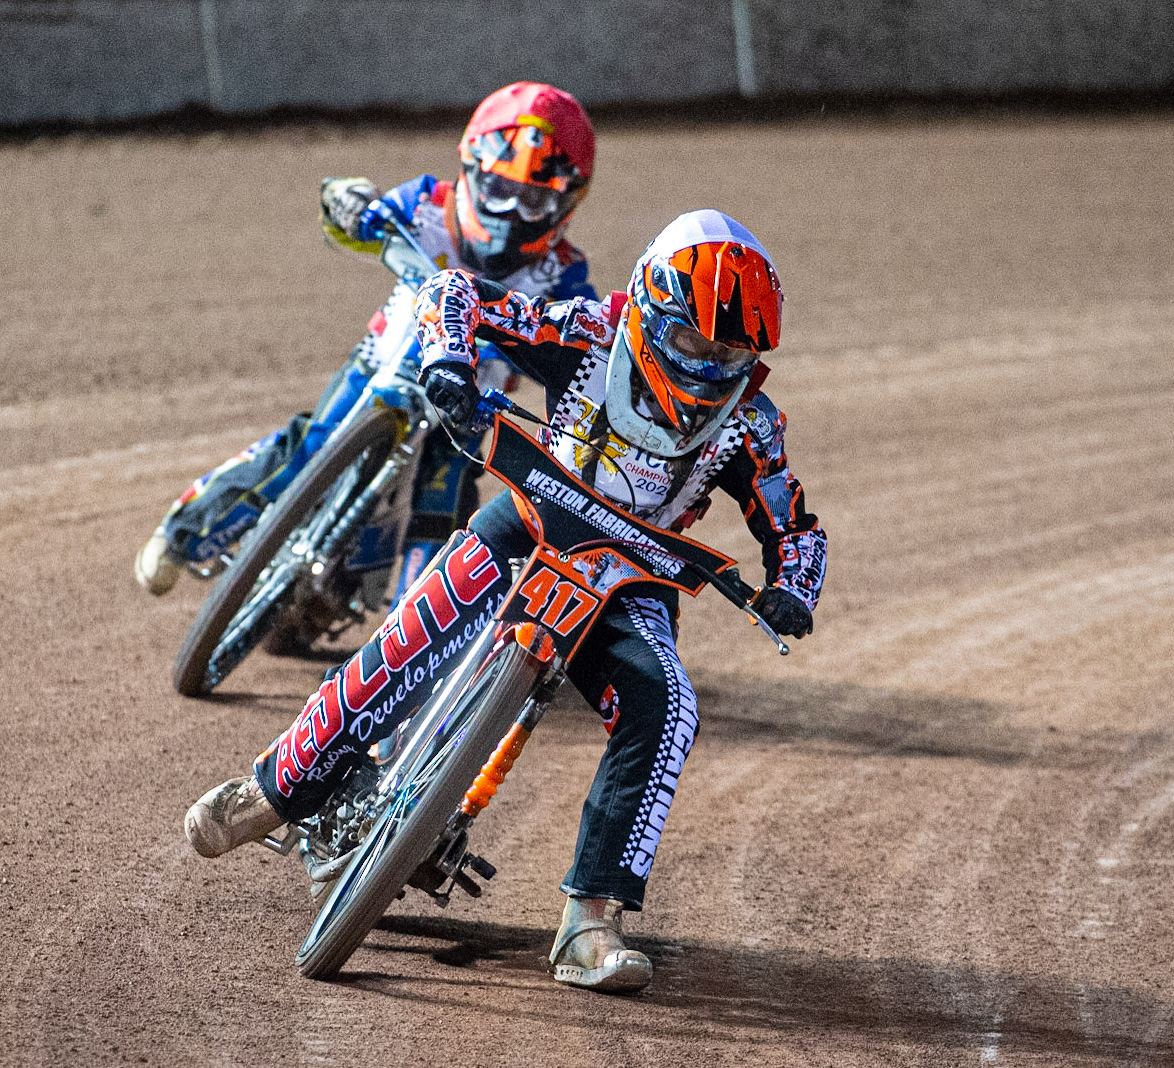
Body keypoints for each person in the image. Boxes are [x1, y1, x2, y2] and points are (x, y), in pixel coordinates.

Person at [183, 210, 827, 993]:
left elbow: (793, 519)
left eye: (732, 352)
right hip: (527, 519)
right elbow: (455, 290)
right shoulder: (592, 331)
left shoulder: (751, 425)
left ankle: (592, 922)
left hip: (629, 581)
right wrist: (450, 363)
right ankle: (273, 791)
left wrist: (795, 586)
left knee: (670, 709)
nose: (710, 366)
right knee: (411, 633)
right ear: (650, 306)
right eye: (694, 341)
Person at [134, 82, 598, 617]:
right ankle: (183, 533)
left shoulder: (561, 271)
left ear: (568, 201)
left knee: (444, 502)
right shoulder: (426, 204)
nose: (512, 212)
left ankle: (417, 630)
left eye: (535, 199)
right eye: (499, 190)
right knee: (309, 445)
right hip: (381, 365)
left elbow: (578, 347)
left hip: (466, 402)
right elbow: (353, 219)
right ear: (469, 167)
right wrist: (348, 204)